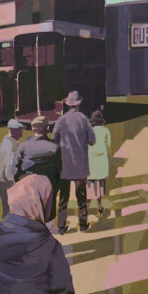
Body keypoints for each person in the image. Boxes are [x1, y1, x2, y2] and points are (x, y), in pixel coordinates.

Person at [52, 90, 92, 233]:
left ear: (68, 104)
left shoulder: (61, 120)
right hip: (80, 164)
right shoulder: (84, 119)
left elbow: (53, 138)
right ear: (79, 103)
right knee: (81, 197)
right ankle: (83, 224)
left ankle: (62, 227)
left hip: (65, 164)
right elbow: (92, 140)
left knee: (63, 198)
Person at [18, 115, 61, 186]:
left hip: (28, 183)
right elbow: (60, 168)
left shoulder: (23, 146)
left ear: (32, 129)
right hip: (49, 185)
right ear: (47, 128)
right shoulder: (55, 146)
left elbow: (16, 167)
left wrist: (20, 180)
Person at [87, 109, 112, 223]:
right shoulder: (106, 130)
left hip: (90, 160)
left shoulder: (89, 130)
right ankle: (99, 207)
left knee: (89, 185)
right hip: (101, 160)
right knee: (100, 185)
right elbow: (109, 145)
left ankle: (86, 208)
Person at [0, 119, 25, 211]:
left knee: (7, 210)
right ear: (13, 130)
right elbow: (8, 165)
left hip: (5, 182)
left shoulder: (8, 142)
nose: (21, 131)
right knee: (10, 210)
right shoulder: (10, 144)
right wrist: (14, 183)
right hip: (8, 182)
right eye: (19, 129)